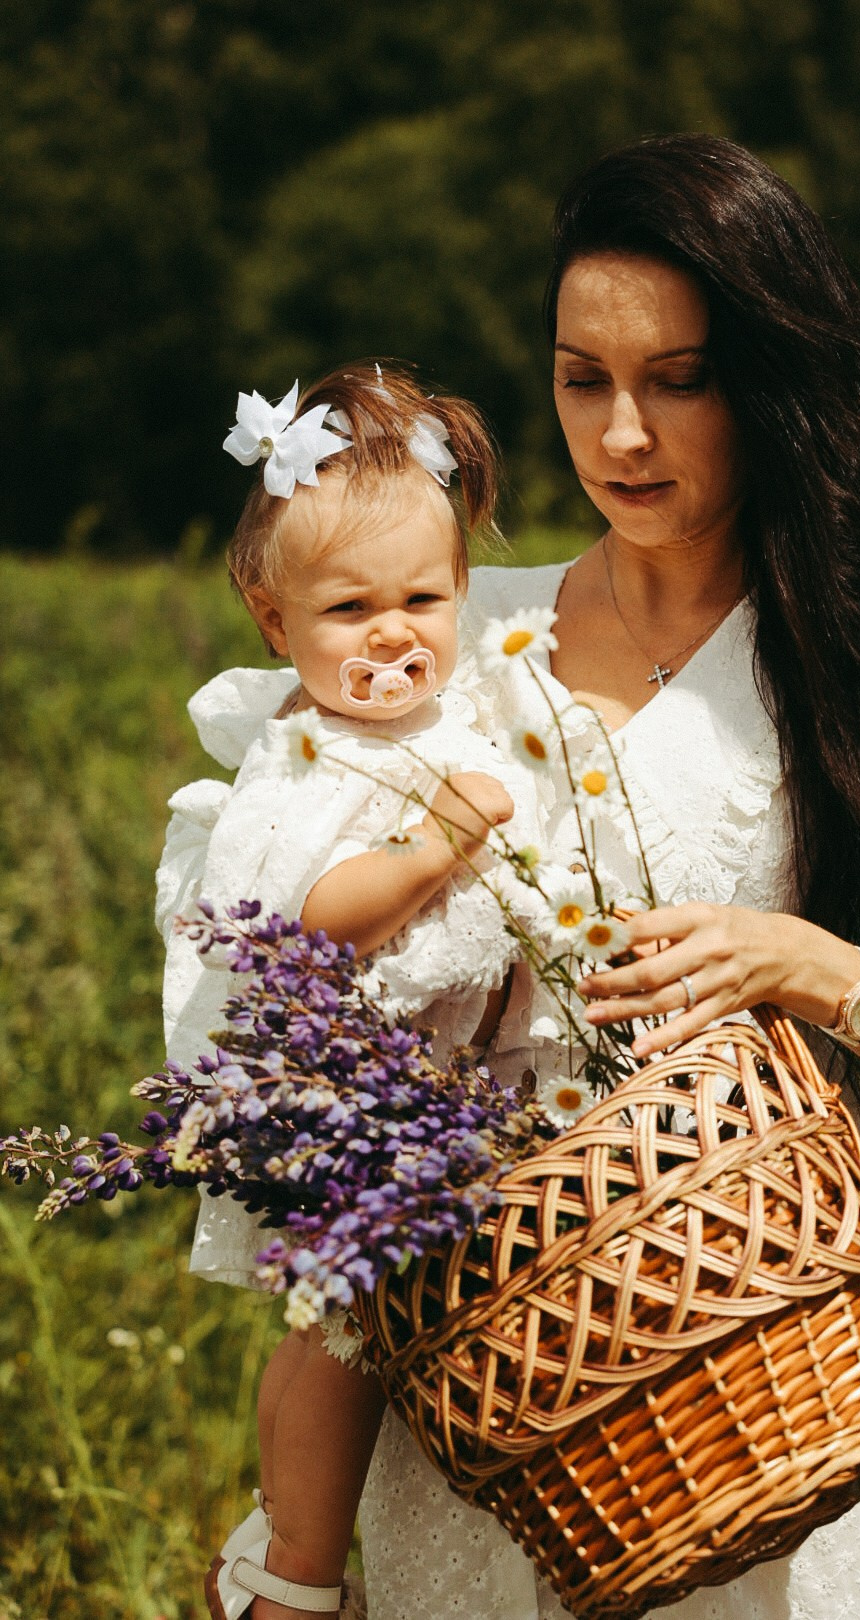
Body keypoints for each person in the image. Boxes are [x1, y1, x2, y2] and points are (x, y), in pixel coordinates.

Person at [356, 136, 860, 1618]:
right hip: (502, 1367)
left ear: (774, 380)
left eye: (680, 379)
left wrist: (814, 969)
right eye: (582, 378)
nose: (622, 436)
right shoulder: (451, 643)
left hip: (777, 1349)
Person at [155, 363, 555, 1620]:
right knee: (346, 1342)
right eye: (349, 609)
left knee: (334, 1325)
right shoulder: (309, 756)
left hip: (438, 1088)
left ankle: (273, 1543)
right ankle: (298, 1574)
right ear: (277, 624)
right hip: (356, 1101)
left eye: (424, 598)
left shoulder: (442, 721)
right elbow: (306, 918)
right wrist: (436, 843)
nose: (394, 634)